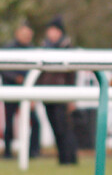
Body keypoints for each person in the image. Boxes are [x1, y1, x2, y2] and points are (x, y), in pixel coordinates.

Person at [37, 16, 78, 164]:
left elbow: (72, 75)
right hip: (47, 93)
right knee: (55, 127)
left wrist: (72, 97)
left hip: (63, 94)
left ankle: (69, 158)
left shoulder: (67, 49)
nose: (51, 33)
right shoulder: (44, 49)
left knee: (64, 128)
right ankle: (62, 158)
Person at [2, 20, 41, 159]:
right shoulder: (8, 48)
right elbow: (4, 70)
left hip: (27, 91)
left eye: (28, 35)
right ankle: (7, 152)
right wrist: (17, 78)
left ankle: (33, 152)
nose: (26, 37)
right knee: (9, 122)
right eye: (24, 34)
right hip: (11, 90)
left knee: (35, 123)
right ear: (17, 33)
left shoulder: (32, 50)